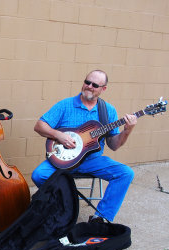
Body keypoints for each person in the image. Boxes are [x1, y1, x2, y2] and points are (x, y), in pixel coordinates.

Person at [31, 70, 136, 223]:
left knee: (125, 173)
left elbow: (114, 145)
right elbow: (39, 126)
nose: (89, 86)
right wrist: (58, 135)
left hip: (91, 161)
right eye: (87, 82)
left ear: (103, 89)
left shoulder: (108, 111)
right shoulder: (65, 105)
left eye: (95, 85)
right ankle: (64, 204)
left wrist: (127, 131)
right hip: (63, 161)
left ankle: (101, 218)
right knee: (39, 174)